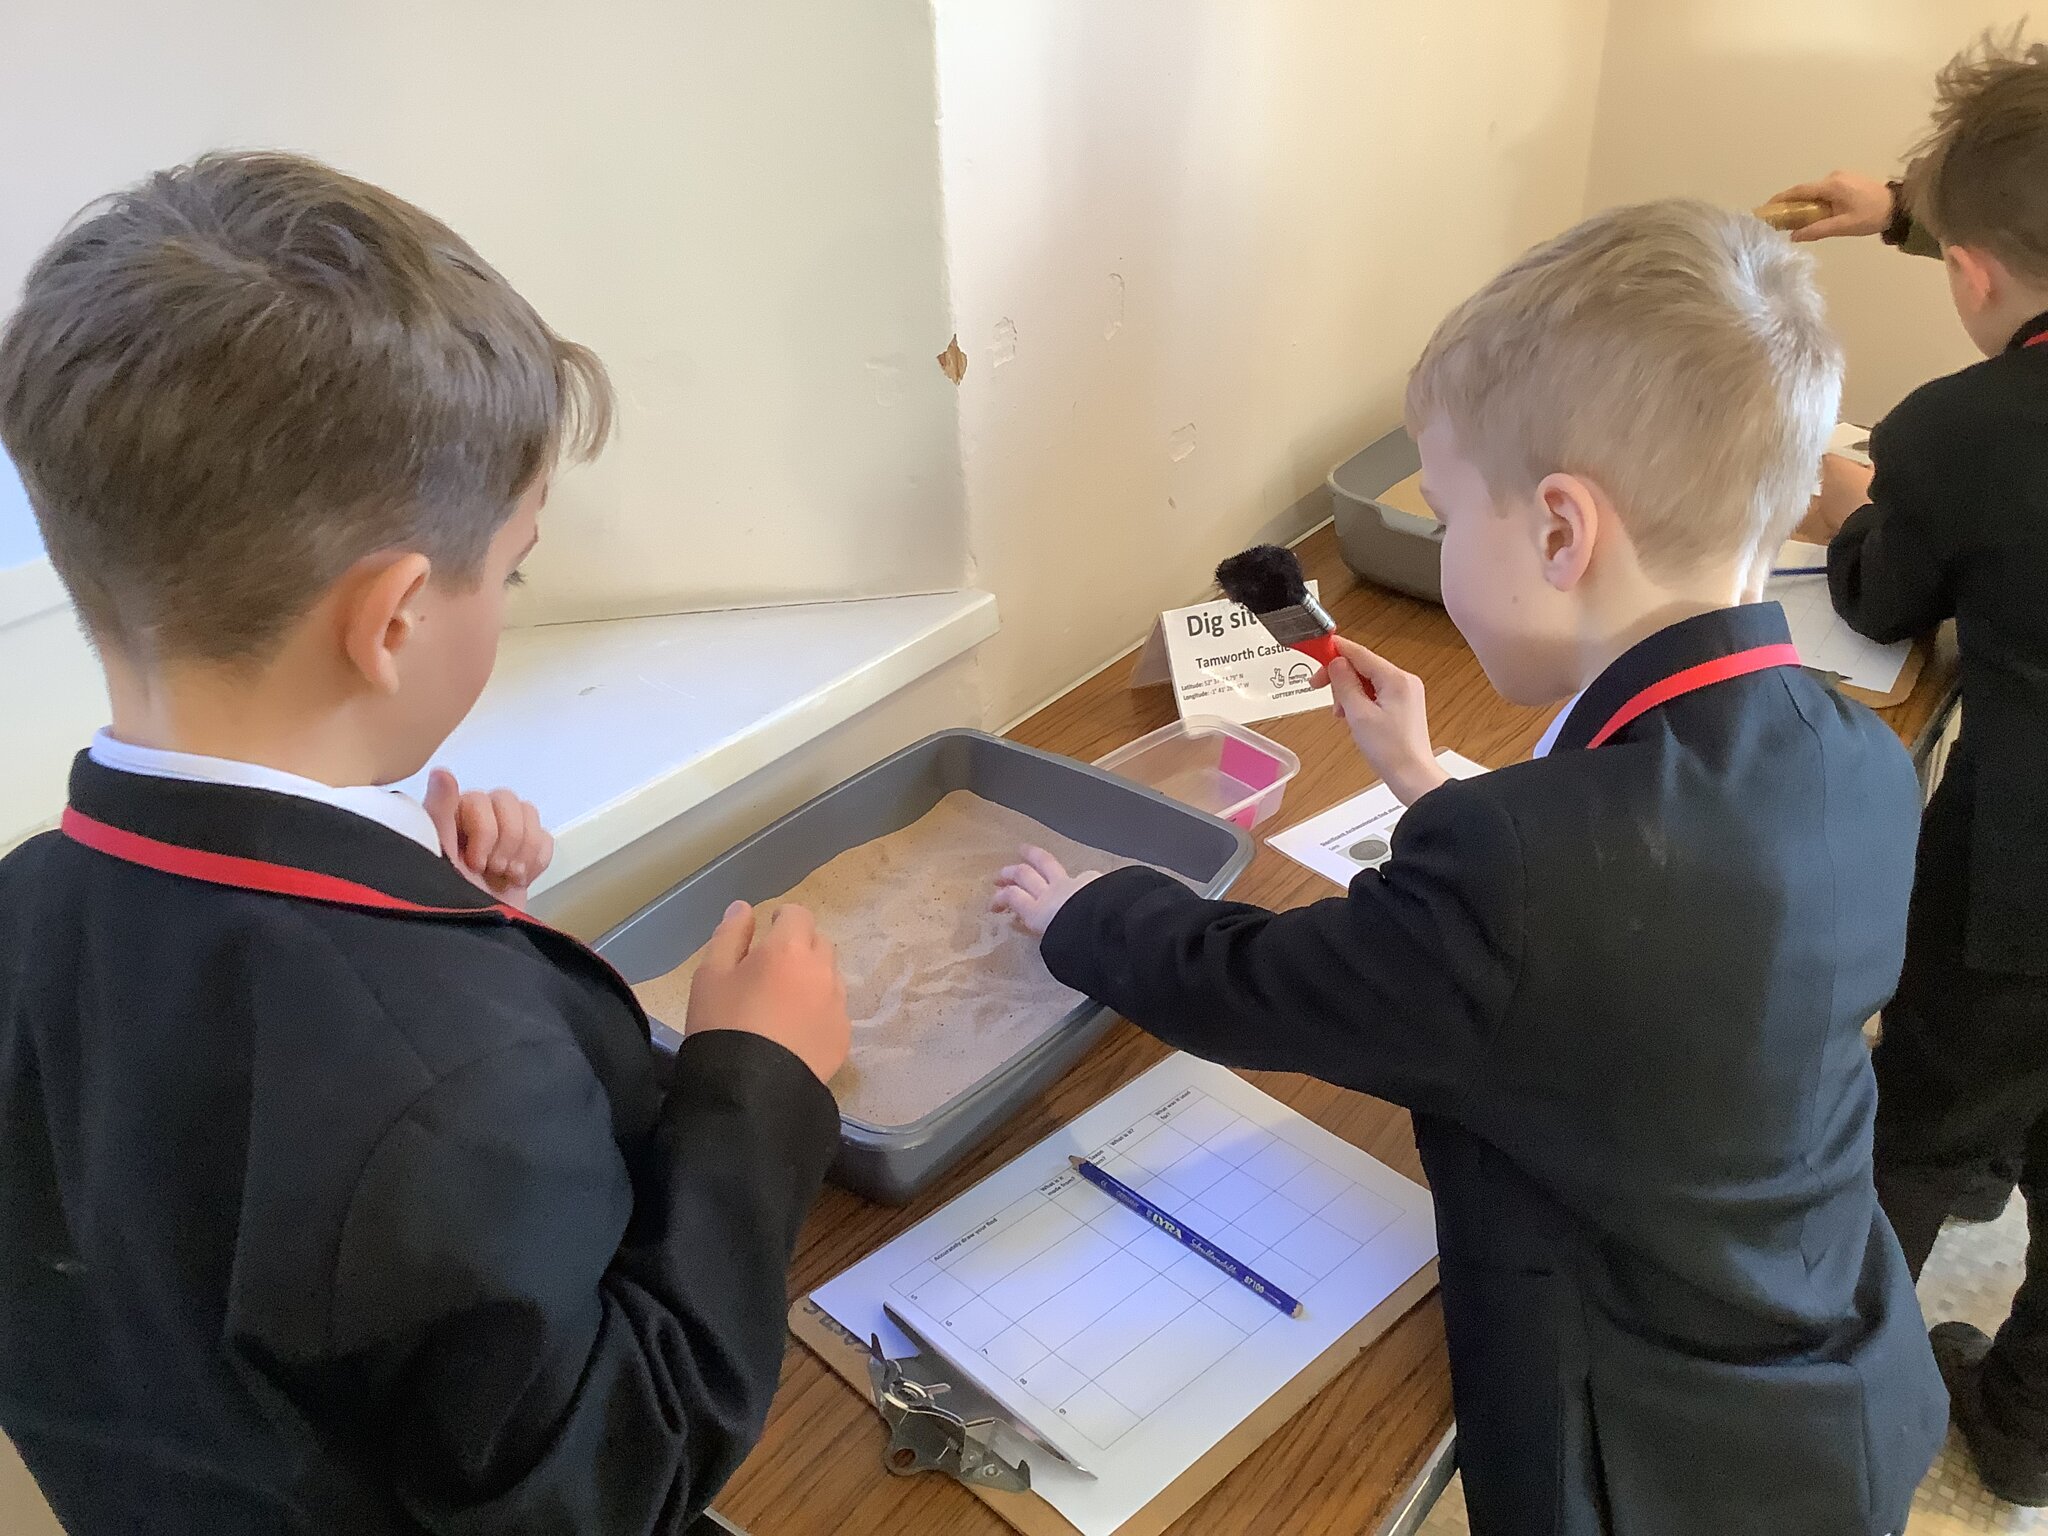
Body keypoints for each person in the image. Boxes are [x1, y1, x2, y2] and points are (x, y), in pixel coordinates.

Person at [992, 201, 1946, 1535]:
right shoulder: (1853, 754)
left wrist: (1092, 912)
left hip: (1648, 1470)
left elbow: (1255, 983)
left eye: (1446, 516)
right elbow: (1675, 926)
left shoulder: (1520, 871)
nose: (1440, 551)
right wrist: (1428, 778)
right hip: (1838, 1379)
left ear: (1562, 534)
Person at [0, 152, 851, 1534]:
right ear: (392, 619)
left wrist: (433, 911)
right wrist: (760, 1085)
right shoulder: (453, 1086)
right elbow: (603, 1474)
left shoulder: (29, 901)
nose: (509, 594)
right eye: (509, 567)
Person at [1791, 34, 2048, 1507]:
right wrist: (1902, 208)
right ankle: (2022, 1427)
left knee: (1926, 1121)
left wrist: (1856, 501)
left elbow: (1888, 599)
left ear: (1966, 277)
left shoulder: (1960, 427)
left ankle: (1836, 1380)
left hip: (2019, 885)